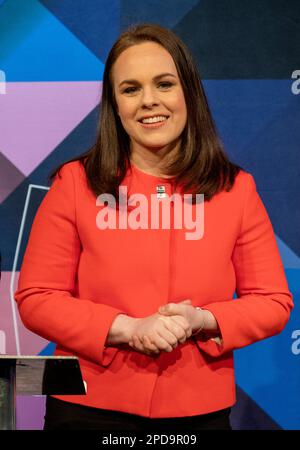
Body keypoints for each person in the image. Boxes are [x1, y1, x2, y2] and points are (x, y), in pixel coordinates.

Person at [14, 23, 293, 431]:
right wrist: (124, 328)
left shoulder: (236, 188)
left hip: (198, 412)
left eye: (164, 84)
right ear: (115, 104)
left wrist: (202, 320)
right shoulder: (75, 182)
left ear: (189, 94)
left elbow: (272, 301)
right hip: (88, 407)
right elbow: (37, 297)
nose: (148, 101)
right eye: (130, 89)